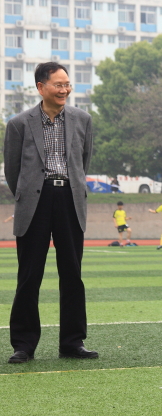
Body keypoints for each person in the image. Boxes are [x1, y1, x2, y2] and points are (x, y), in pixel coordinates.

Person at [3, 62, 97, 363]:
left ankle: (72, 342)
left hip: (70, 199)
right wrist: (31, 192)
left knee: (72, 274)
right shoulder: (19, 124)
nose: (64, 89)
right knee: (29, 275)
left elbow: (83, 161)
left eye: (67, 84)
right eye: (58, 84)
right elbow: (13, 170)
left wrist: (70, 186)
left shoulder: (83, 120)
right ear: (41, 87)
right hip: (35, 202)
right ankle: (23, 344)